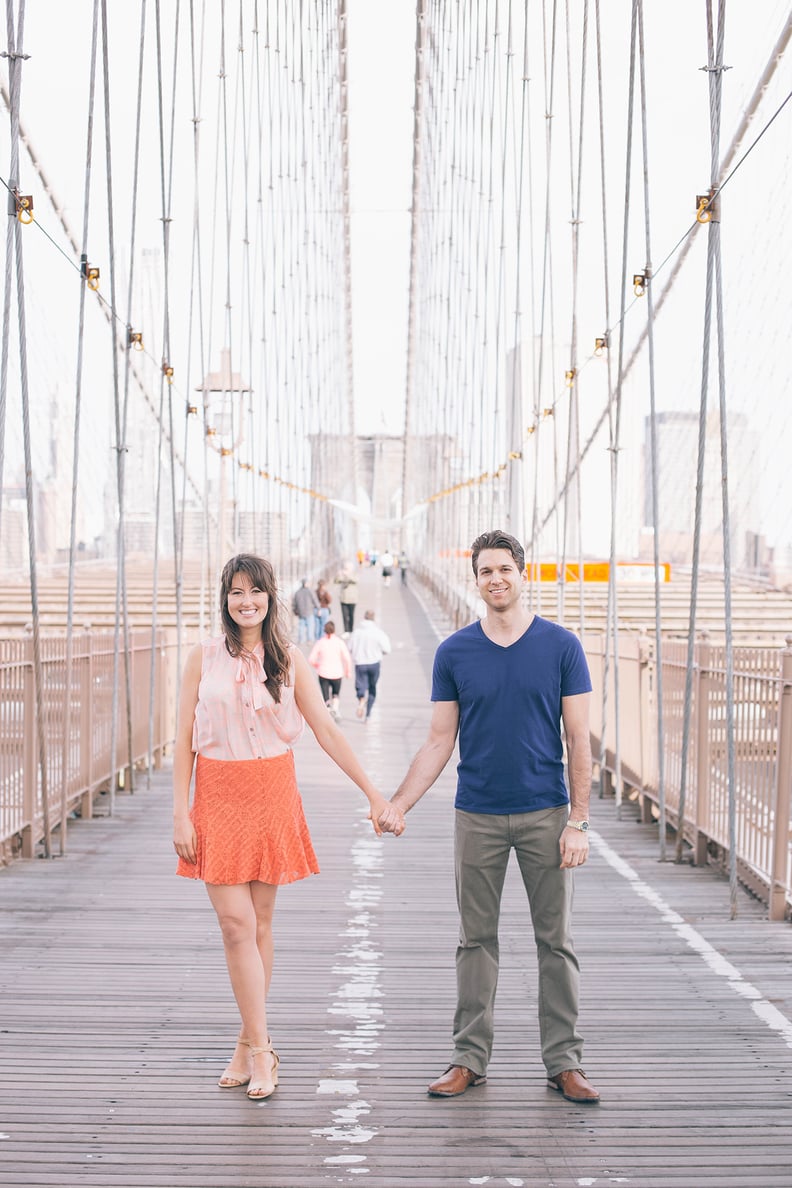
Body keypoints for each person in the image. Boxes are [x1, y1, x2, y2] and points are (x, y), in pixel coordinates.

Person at [173, 554, 404, 1101]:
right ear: (224, 599)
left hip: (272, 789)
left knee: (258, 925)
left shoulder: (290, 660)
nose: (245, 600)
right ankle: (263, 1048)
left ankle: (246, 1043)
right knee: (234, 925)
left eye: (255, 591)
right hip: (217, 792)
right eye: (235, 592)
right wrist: (179, 811)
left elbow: (325, 729)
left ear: (271, 596)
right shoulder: (200, 658)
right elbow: (181, 737)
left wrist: (374, 794)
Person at [383, 529, 598, 1104]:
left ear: (523, 574)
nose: (496, 579)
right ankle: (468, 1058)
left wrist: (578, 820)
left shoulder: (562, 646)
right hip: (476, 814)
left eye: (505, 569)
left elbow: (579, 739)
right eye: (486, 572)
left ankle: (564, 1062)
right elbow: (437, 741)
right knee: (475, 940)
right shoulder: (455, 652)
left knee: (556, 941)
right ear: (475, 580)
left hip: (546, 815)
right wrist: (398, 803)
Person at [348, 609, 391, 722]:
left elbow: (349, 648)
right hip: (374, 663)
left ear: (364, 618)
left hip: (360, 663)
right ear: (373, 619)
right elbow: (387, 649)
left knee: (360, 686)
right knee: (372, 688)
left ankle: (361, 699)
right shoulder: (378, 632)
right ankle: (368, 714)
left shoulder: (356, 632)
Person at [308, 620, 352, 720]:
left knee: (325, 694)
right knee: (336, 694)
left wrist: (317, 665)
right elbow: (347, 658)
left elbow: (311, 659)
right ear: (334, 630)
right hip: (337, 673)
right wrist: (348, 671)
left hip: (323, 673)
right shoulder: (339, 642)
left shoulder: (320, 642)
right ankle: (335, 709)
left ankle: (327, 708)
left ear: (324, 630)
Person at [291, 577, 320, 644]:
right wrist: (318, 608)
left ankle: (301, 640)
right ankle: (309, 640)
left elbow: (294, 603)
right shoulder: (310, 591)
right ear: (306, 583)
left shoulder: (297, 592)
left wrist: (295, 611)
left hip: (301, 612)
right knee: (310, 626)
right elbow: (315, 600)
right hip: (309, 611)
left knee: (301, 626)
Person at [334, 565, 359, 634]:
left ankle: (351, 630)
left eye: (347, 569)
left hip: (352, 599)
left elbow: (355, 580)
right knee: (345, 616)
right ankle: (346, 630)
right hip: (343, 599)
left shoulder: (354, 574)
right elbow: (336, 581)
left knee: (351, 615)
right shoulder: (342, 575)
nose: (345, 570)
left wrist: (347, 575)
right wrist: (338, 575)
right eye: (345, 568)